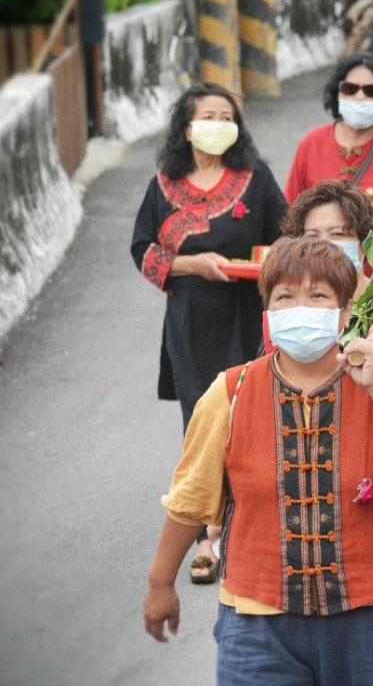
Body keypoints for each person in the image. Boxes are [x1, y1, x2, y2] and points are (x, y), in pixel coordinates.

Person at [143, 236, 373, 685]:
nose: (300, 307)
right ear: (267, 311)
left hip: (369, 620)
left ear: (345, 313)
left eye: (318, 296)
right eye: (285, 296)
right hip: (257, 623)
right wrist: (159, 583)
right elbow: (193, 498)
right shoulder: (230, 392)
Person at [131, 81, 287, 583]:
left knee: (250, 418)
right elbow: (143, 250)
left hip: (246, 314)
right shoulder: (163, 184)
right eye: (209, 116)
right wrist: (191, 264)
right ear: (186, 126)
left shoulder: (255, 179)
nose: (219, 124)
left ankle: (250, 528)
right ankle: (206, 534)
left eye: (227, 116)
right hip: (191, 323)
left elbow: (285, 239)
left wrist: (262, 269)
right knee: (201, 424)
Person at [283, 52, 373, 201]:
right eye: (350, 89)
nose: (360, 97)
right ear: (338, 93)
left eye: (371, 91)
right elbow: (289, 208)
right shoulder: (312, 143)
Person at [282, 179, 373, 299]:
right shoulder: (290, 306)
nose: (324, 245)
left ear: (366, 241)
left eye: (337, 234)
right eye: (312, 236)